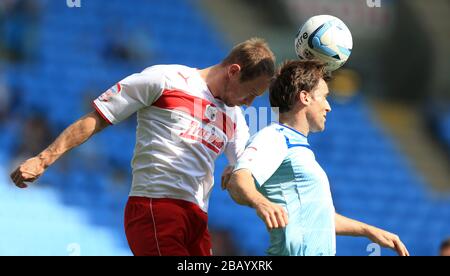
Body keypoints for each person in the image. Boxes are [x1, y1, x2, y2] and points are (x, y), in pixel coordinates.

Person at [10, 38, 276, 256]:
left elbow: (243, 167)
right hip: (155, 208)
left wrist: (237, 173)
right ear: (233, 71)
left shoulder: (235, 118)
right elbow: (97, 118)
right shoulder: (166, 79)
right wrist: (43, 159)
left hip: (196, 220)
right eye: (251, 92)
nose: (249, 103)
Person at [224, 60, 410, 256]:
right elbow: (239, 180)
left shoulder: (298, 147)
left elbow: (319, 218)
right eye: (324, 97)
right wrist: (261, 203)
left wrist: (368, 231)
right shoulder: (276, 136)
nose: (328, 107)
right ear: (305, 97)